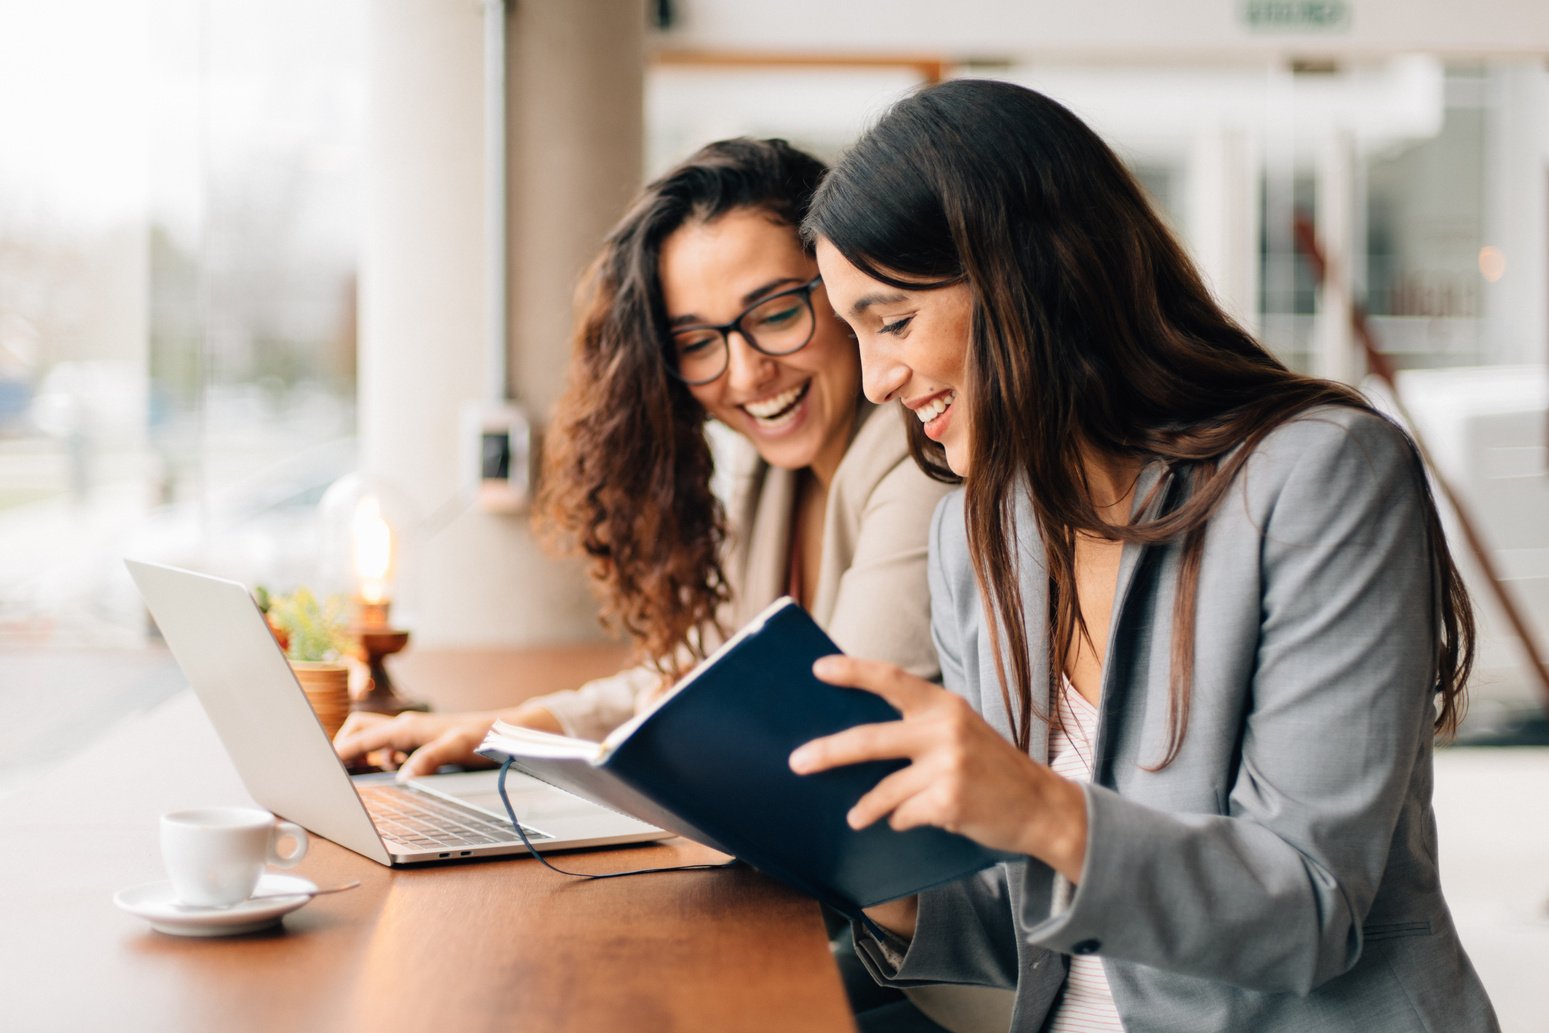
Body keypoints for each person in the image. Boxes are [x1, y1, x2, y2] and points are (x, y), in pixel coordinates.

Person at [790, 79, 1501, 1032]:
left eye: (893, 321)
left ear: (1025, 275)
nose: (876, 380)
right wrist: (859, 865)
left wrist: (1041, 810)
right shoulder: (975, 536)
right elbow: (1020, 922)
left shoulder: (1321, 475)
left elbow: (1307, 905)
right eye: (855, 334)